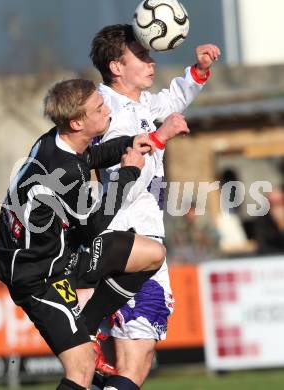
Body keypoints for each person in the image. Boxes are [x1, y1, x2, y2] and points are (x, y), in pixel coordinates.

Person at [0, 79, 169, 390]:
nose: (107, 111)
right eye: (99, 109)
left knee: (152, 255)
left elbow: (91, 158)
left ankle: (86, 324)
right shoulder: (64, 173)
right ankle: (85, 331)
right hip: (37, 276)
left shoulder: (55, 142)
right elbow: (93, 227)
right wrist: (129, 171)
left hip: (63, 255)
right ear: (76, 122)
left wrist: (132, 141)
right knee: (83, 367)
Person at [88, 24, 220, 389]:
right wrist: (159, 140)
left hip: (140, 239)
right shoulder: (109, 111)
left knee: (119, 366)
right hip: (130, 238)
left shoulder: (137, 103)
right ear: (116, 66)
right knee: (134, 362)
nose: (151, 61)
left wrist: (198, 71)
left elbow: (171, 100)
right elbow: (121, 188)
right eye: (142, 55)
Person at [253, 186, 284, 255]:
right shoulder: (262, 218)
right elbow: (262, 246)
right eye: (273, 203)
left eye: (279, 202)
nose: (277, 207)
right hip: (271, 259)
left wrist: (281, 224)